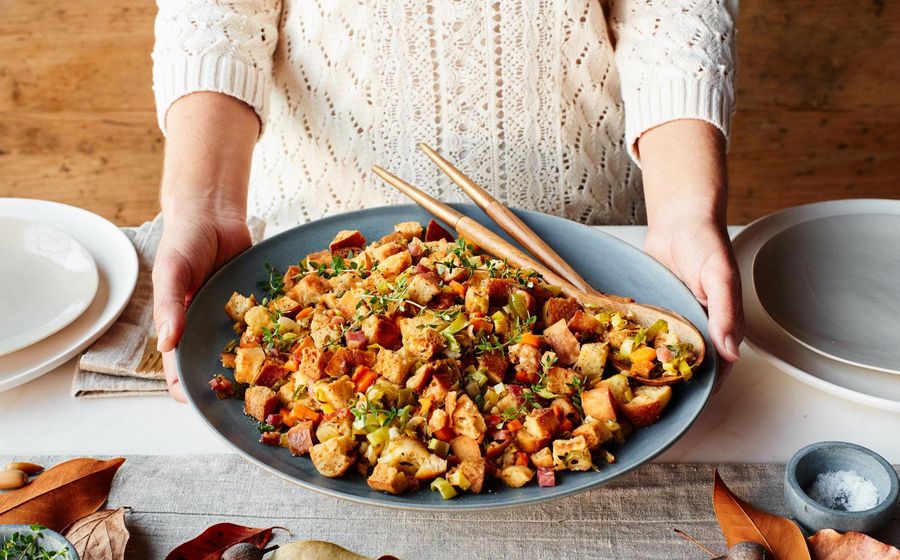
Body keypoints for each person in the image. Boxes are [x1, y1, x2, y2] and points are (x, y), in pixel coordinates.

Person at [151, 0, 742, 402]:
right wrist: (204, 205)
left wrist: (683, 207)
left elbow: (675, 13)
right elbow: (215, 13)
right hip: (312, 228)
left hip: (589, 234)